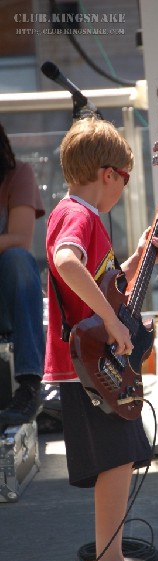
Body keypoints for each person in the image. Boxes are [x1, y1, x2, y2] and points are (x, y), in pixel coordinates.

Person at [44, 116, 158, 561]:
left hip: (88, 361)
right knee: (116, 460)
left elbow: (100, 287)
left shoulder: (74, 214)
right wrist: (115, 324)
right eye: (127, 177)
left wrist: (132, 262)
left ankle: (110, 559)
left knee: (119, 459)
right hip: (87, 364)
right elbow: (66, 261)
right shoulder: (79, 216)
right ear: (110, 174)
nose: (124, 186)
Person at [0, 123, 45, 426]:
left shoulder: (19, 174)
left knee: (19, 260)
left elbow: (20, 239)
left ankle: (30, 385)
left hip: (6, 297)